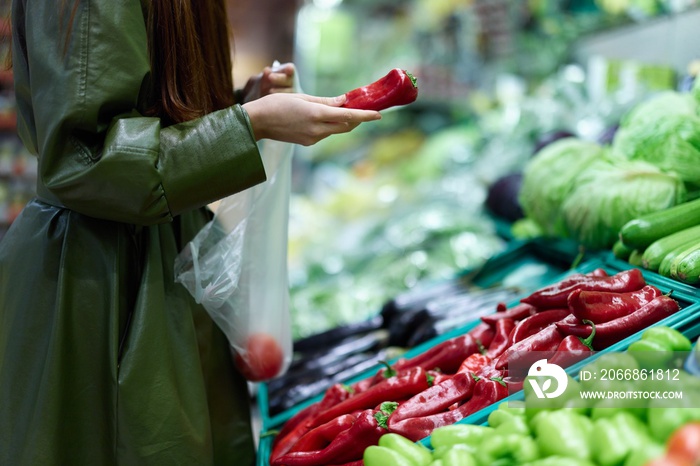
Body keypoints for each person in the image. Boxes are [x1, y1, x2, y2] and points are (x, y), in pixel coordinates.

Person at [0, 1, 381, 465]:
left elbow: (145, 115)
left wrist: (244, 104)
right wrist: (251, 123)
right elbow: (88, 159)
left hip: (158, 253)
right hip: (100, 279)